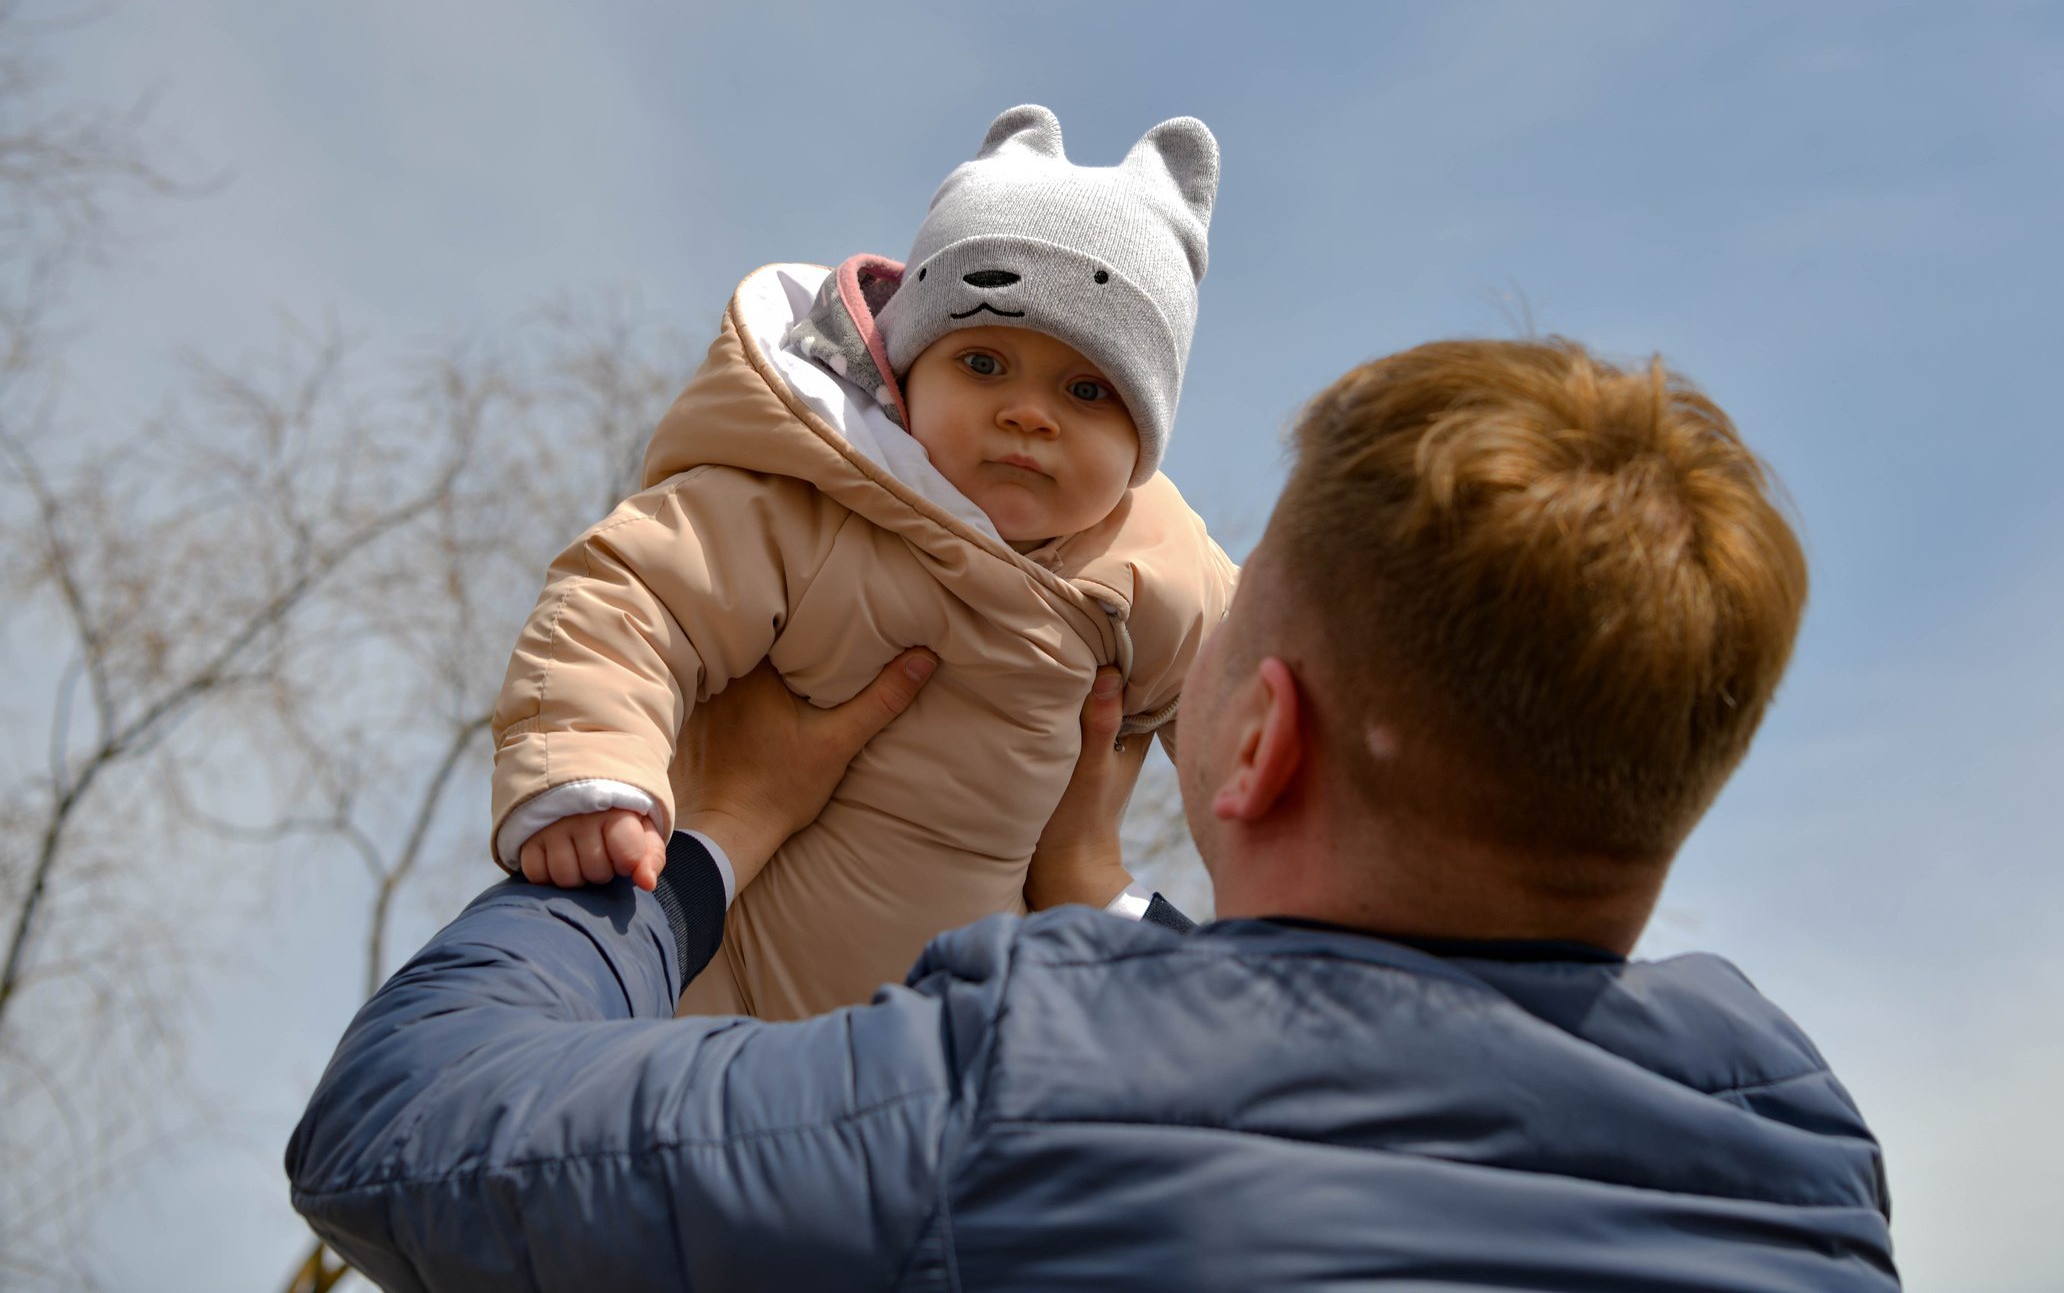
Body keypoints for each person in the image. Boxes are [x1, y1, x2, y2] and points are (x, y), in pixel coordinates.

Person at [290, 337, 1899, 1290]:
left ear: (1259, 738)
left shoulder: (1031, 1087)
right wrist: (1102, 895)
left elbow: (405, 1124)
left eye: (1232, 605)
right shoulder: (1799, 1153)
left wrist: (711, 836)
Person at [487, 103, 1237, 1015]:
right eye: (986, 363)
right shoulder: (817, 498)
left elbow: (1268, 710)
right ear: (906, 366)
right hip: (730, 996)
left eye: (1086, 389)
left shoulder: (1157, 567)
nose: (1028, 414)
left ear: (1144, 441)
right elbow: (634, 595)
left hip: (953, 1049)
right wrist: (590, 766)